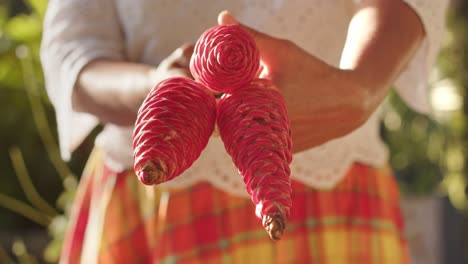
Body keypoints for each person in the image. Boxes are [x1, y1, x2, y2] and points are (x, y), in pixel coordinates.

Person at [40, 0, 448, 263]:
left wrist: (360, 86)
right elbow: (73, 52)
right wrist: (163, 92)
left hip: (336, 189)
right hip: (158, 194)